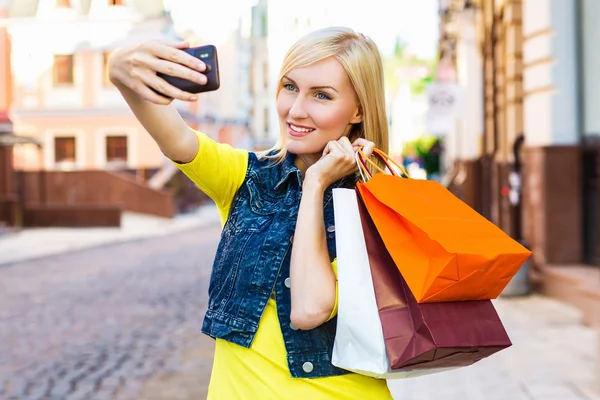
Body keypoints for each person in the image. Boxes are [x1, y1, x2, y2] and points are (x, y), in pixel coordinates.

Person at [108, 26, 393, 399]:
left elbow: (309, 309)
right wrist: (118, 69)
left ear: (358, 109)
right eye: (290, 87)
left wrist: (315, 186)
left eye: (321, 95)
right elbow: (174, 137)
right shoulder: (246, 179)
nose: (296, 109)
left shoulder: (377, 207)